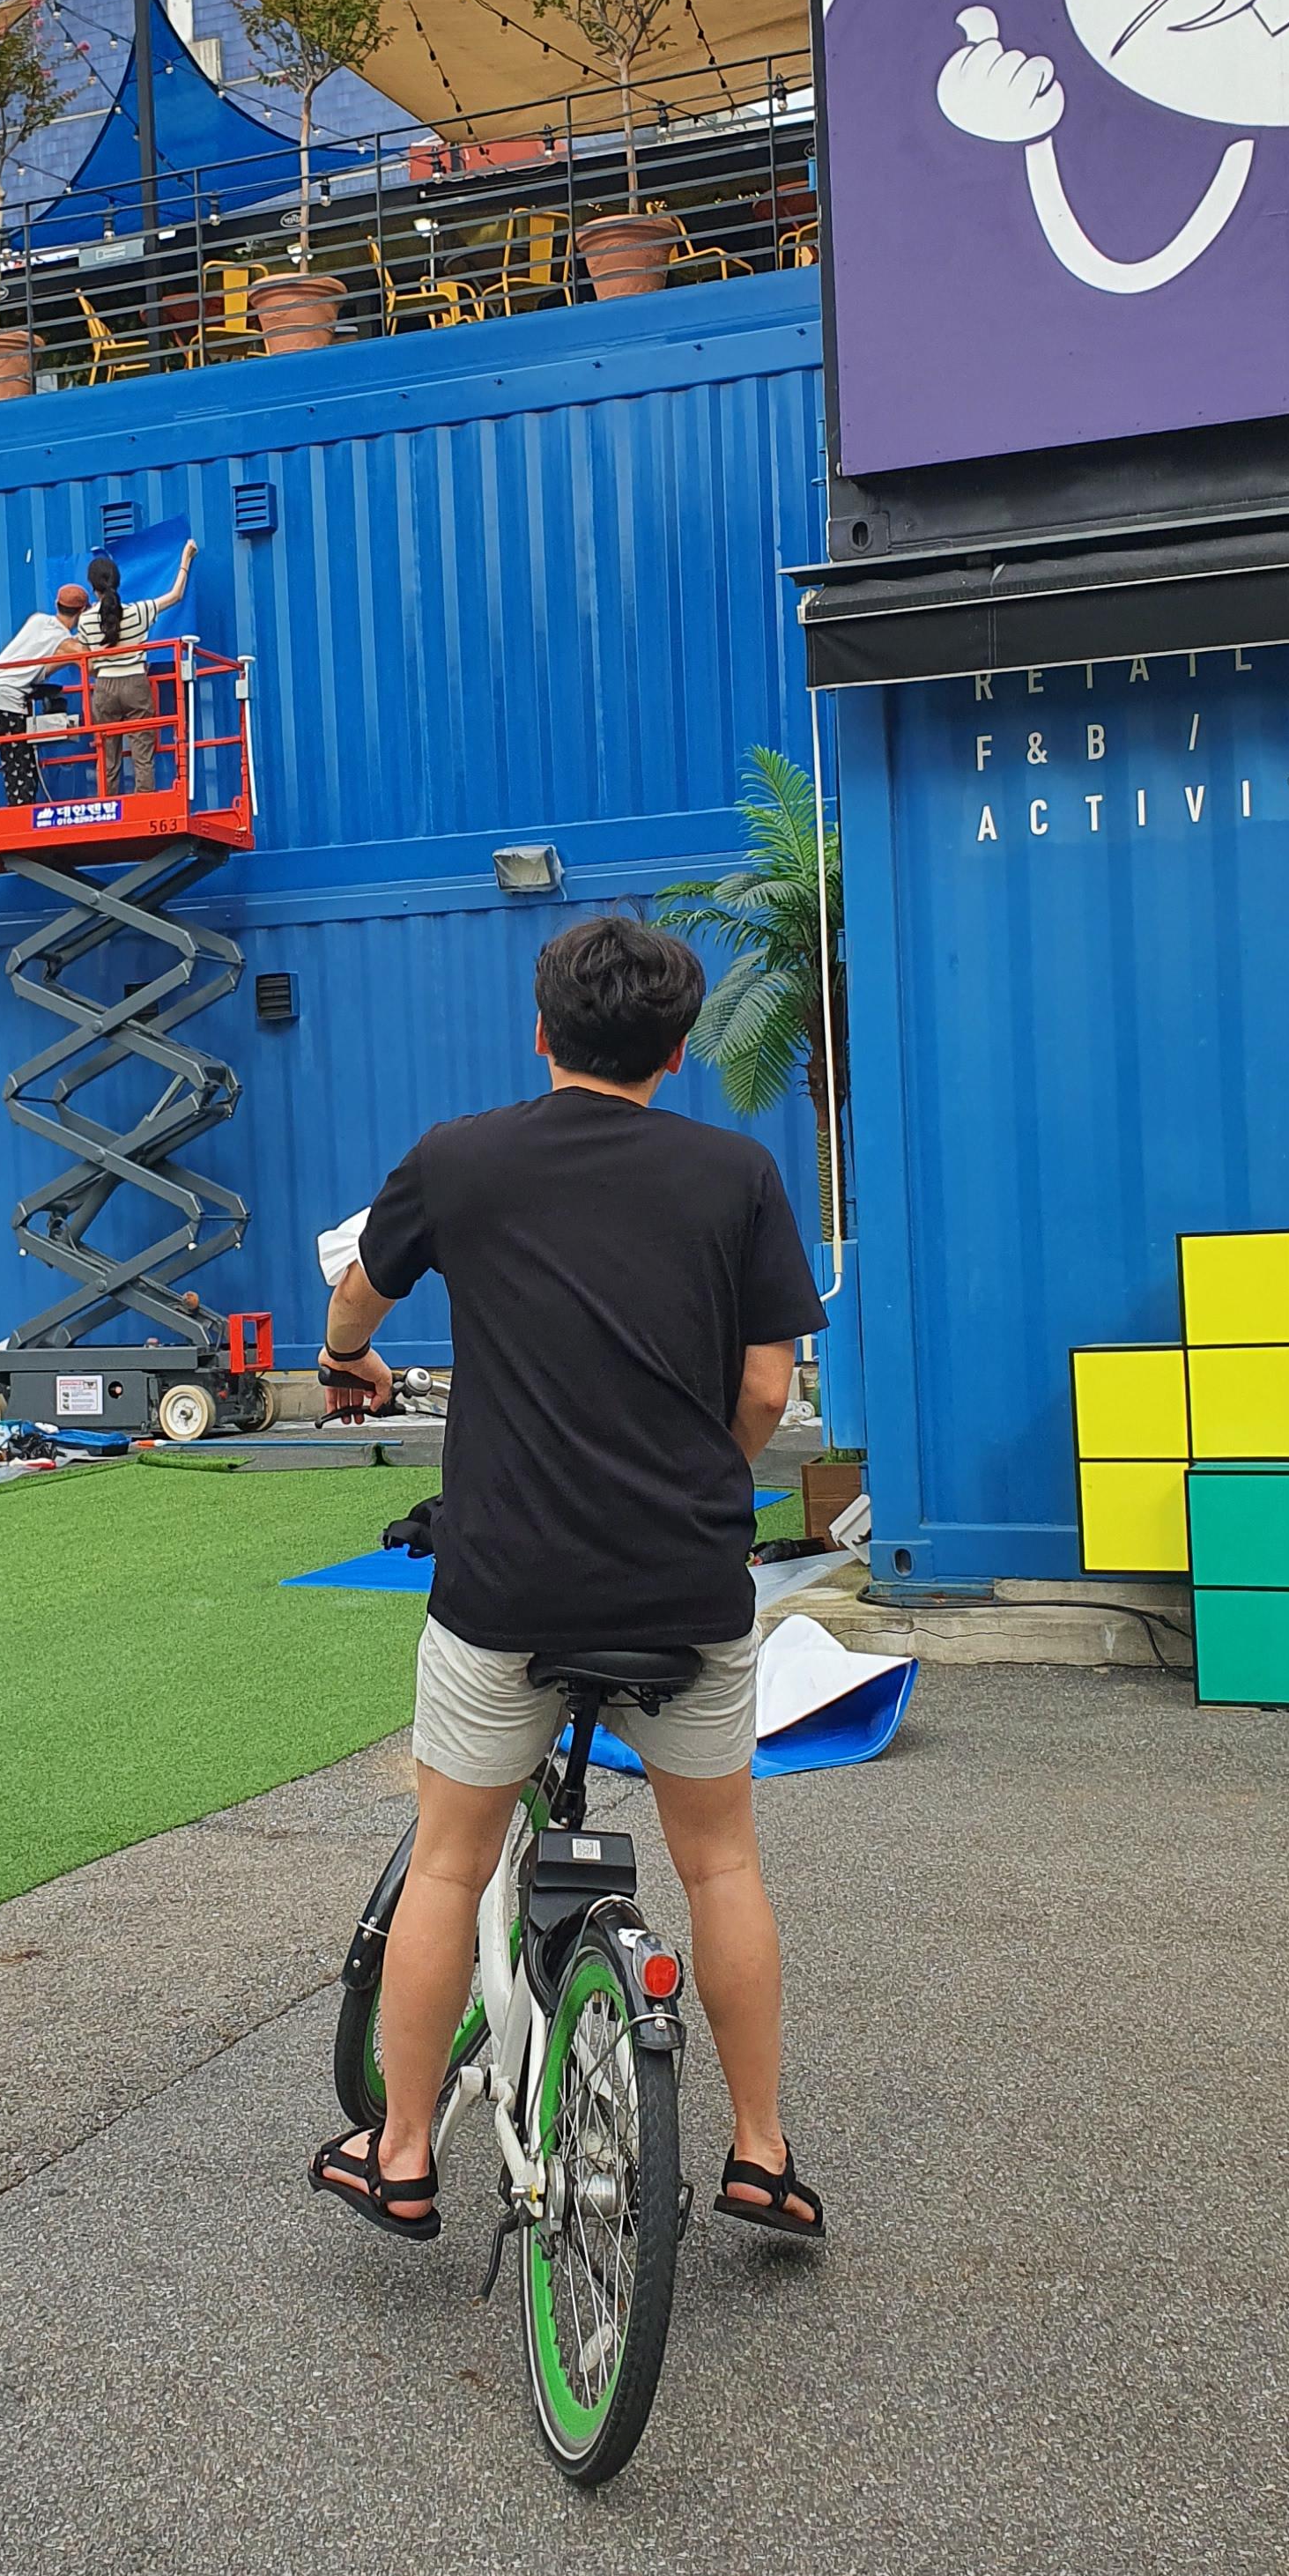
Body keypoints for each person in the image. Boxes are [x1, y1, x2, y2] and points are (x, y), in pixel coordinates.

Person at [310, 914, 830, 2247]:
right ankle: (761, 2152)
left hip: (507, 1589)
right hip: (685, 1589)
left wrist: (347, 1361)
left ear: (542, 1032)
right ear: (678, 1050)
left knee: (448, 1864)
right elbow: (766, 1388)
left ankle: (404, 2153)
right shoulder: (738, 1174)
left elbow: (358, 1297)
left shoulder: (459, 1158)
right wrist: (691, 1480)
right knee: (721, 1863)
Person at [82, 536, 195, 795]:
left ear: (93, 587)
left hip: (104, 687)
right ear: (117, 581)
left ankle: (108, 806)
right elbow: (176, 595)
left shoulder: (86, 621)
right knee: (143, 754)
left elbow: (88, 661)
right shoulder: (138, 612)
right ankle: (145, 802)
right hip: (136, 684)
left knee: (107, 757)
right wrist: (185, 559)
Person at [0, 586, 90, 806]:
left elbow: (39, 664)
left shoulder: (37, 619)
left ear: (57, 605)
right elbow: (90, 661)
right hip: (8, 701)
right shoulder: (67, 644)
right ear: (82, 612)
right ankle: (21, 814)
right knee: (20, 774)